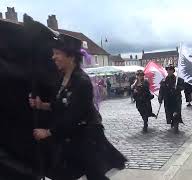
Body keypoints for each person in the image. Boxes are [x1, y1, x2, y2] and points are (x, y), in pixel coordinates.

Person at [29, 32, 127, 180]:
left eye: (57, 53)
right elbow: (61, 105)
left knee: (94, 175)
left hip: (87, 138)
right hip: (71, 138)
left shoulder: (82, 82)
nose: (53, 57)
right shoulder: (62, 79)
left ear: (71, 56)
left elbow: (73, 115)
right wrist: (42, 105)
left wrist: (48, 132)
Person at [158, 64, 184, 133]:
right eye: (168, 70)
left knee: (176, 112)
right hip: (168, 100)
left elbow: (182, 87)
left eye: (171, 70)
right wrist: (160, 98)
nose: (169, 71)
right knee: (169, 113)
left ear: (173, 71)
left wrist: (177, 87)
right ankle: (172, 122)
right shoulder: (164, 80)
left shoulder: (178, 79)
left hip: (176, 99)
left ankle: (176, 125)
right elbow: (161, 91)